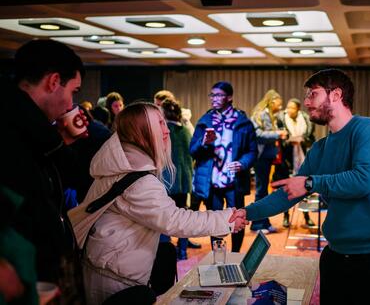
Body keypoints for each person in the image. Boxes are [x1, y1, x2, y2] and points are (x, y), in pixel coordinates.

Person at [231, 69, 370, 304]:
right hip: (335, 255)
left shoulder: (367, 130)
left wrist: (311, 182)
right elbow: (287, 194)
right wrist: (247, 212)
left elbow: (363, 180)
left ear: (336, 95)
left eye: (313, 94)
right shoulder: (320, 148)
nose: (307, 102)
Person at [68, 102, 248, 305]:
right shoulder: (138, 179)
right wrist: (227, 219)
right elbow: (175, 221)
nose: (166, 130)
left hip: (107, 267)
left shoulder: (125, 164)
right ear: (142, 131)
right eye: (160, 123)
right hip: (112, 276)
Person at [0, 39, 88, 304]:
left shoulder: (34, 129)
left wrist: (59, 140)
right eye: (73, 91)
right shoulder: (13, 127)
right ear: (53, 82)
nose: (70, 103)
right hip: (22, 270)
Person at [190, 81, 257, 252]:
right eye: (212, 95)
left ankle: (235, 255)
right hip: (211, 182)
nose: (214, 99)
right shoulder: (205, 121)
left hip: (234, 182)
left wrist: (242, 163)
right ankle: (217, 256)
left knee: (237, 219)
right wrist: (203, 142)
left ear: (229, 97)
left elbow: (252, 151)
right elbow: (193, 150)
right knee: (215, 222)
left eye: (218, 95)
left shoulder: (243, 122)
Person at [273, 98, 316, 228]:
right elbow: (279, 140)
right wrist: (289, 141)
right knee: (286, 189)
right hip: (286, 158)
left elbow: (311, 139)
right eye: (288, 107)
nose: (289, 110)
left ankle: (306, 216)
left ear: (298, 109)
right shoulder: (281, 119)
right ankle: (285, 216)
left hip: (302, 157)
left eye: (292, 108)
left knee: (304, 188)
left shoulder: (306, 119)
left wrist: (302, 140)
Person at [160, 98, 194, 259]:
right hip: (184, 181)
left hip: (167, 181)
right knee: (183, 217)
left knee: (165, 217)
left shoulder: (164, 132)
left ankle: (166, 249)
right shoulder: (186, 131)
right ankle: (183, 250)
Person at [250, 89, 287, 233]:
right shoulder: (260, 115)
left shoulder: (270, 115)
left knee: (264, 191)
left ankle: (264, 222)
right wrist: (278, 133)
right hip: (261, 158)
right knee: (260, 192)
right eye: (279, 104)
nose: (280, 107)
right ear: (271, 102)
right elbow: (259, 135)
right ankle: (257, 224)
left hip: (267, 157)